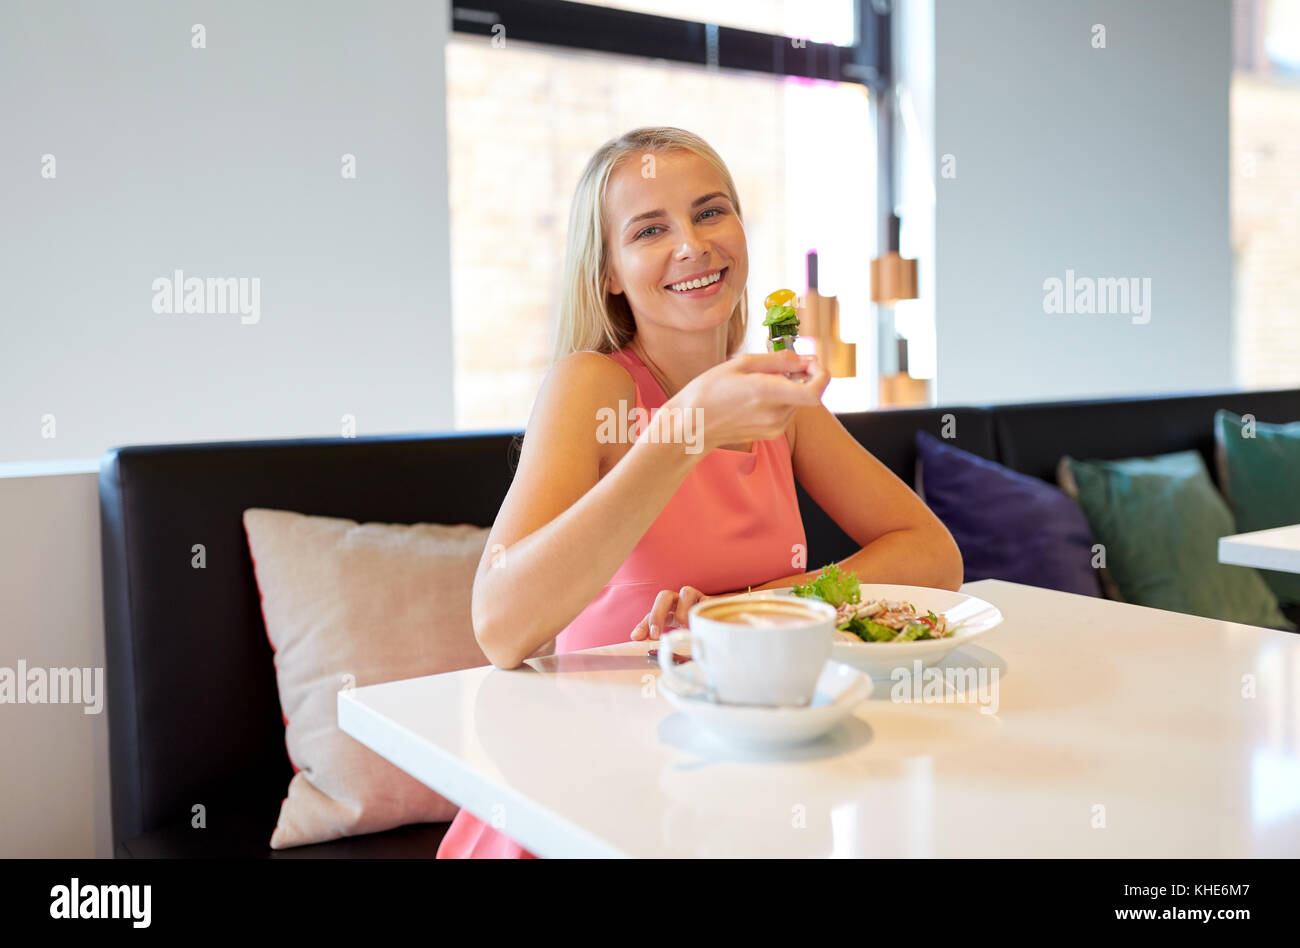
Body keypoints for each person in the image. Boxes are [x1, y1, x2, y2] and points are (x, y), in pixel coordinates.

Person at [437, 126, 963, 858]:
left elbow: (932, 555)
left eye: (711, 212)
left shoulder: (775, 398)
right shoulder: (591, 386)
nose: (692, 244)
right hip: (592, 790)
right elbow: (499, 627)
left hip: (746, 773)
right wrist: (684, 430)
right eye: (650, 229)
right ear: (611, 272)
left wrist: (748, 614)